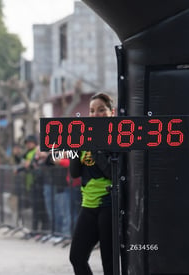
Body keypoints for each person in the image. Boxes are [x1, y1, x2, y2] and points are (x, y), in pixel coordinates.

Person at [69, 92, 115, 275]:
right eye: (92, 111)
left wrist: (95, 148)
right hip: (88, 205)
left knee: (109, 264)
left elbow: (113, 173)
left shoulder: (118, 137)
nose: (96, 114)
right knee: (77, 258)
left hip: (109, 204)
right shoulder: (84, 137)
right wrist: (74, 146)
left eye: (101, 110)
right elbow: (74, 173)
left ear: (112, 112)